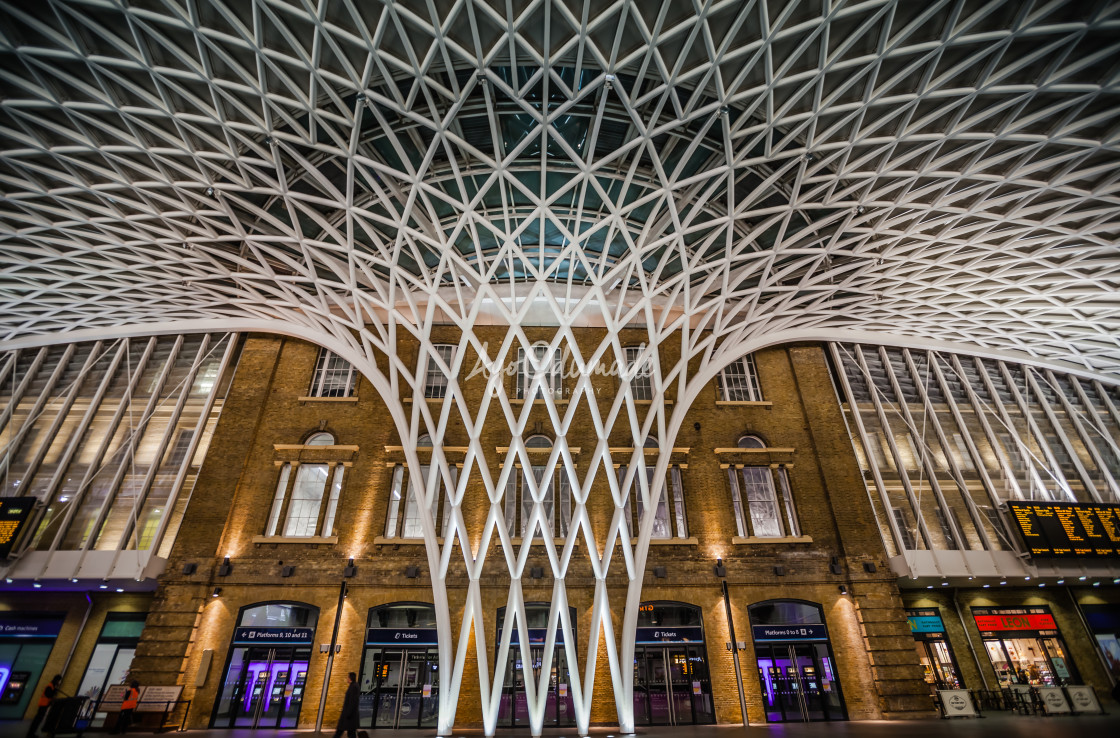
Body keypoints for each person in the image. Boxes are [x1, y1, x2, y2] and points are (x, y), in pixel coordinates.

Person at [332, 672, 359, 738]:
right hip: (350, 715)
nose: (347, 679)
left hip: (348, 715)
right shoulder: (354, 686)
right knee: (350, 732)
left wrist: (348, 713)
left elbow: (352, 701)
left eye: (348, 677)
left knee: (341, 731)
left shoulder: (353, 687)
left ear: (350, 678)